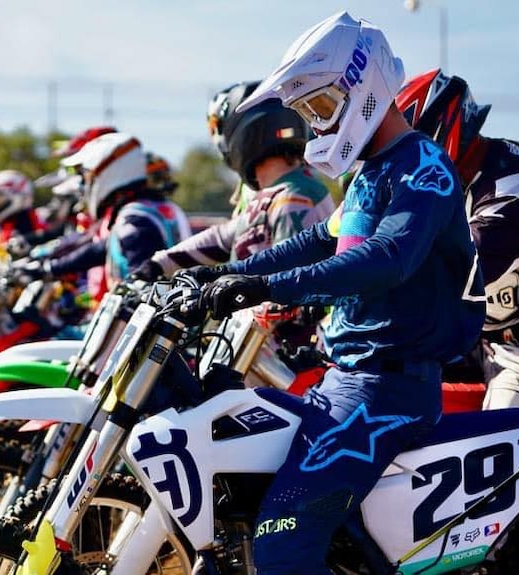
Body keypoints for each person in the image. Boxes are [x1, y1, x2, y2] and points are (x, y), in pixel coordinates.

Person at [178, 12, 484, 574]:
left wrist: (260, 286)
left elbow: (389, 257)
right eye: (308, 114)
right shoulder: (371, 172)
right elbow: (322, 240)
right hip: (345, 382)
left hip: (386, 394)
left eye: (320, 108)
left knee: (280, 541)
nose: (316, 127)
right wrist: (222, 275)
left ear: (361, 86)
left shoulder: (424, 168)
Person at [397, 69, 519, 409]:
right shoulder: (451, 186)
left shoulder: (516, 187)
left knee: (497, 447)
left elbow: (456, 266)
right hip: (481, 345)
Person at [134, 84, 334, 284]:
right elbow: (221, 239)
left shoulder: (292, 198)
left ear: (240, 134)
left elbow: (292, 284)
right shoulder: (279, 193)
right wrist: (158, 264)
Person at [20, 132, 191, 290]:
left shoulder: (135, 218)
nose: (84, 183)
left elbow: (144, 283)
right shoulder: (149, 208)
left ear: (109, 172)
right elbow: (100, 249)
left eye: (86, 174)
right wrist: (50, 268)